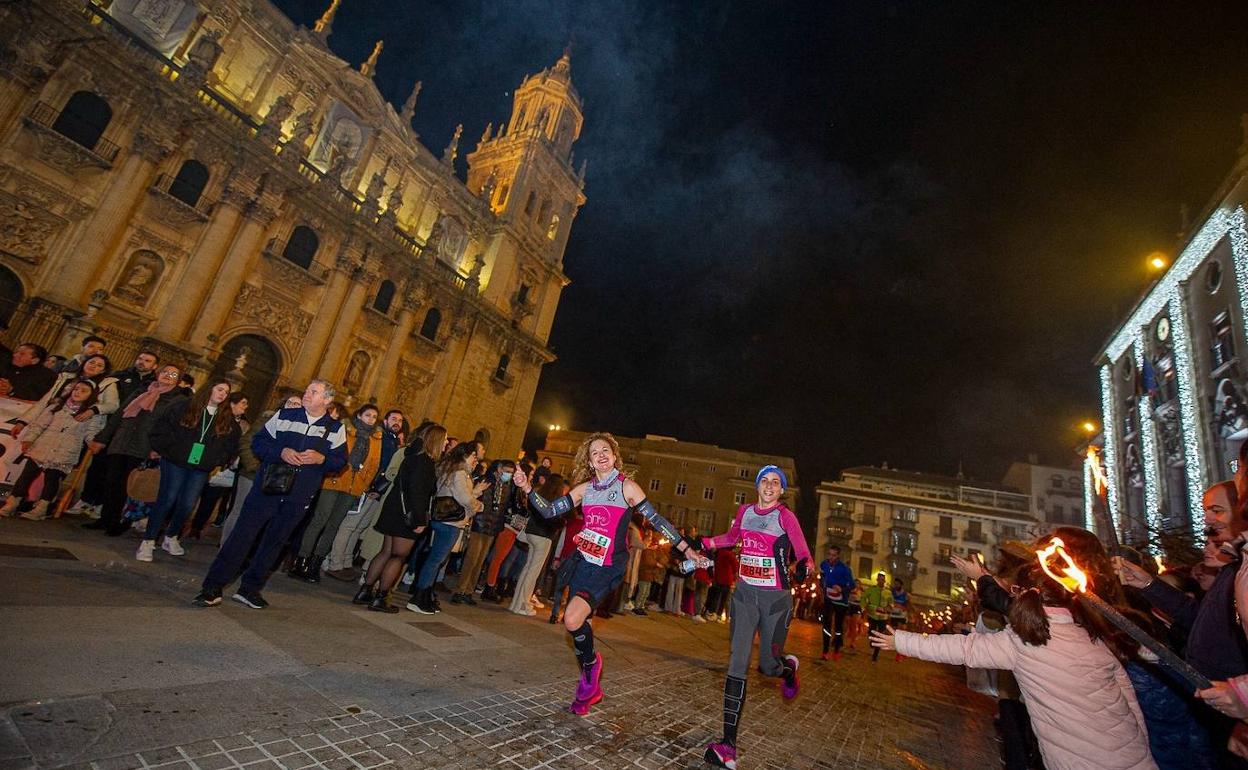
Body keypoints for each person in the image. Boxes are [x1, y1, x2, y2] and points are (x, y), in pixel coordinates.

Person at [871, 561, 1156, 770]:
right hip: (1136, 758)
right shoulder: (1092, 636)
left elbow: (963, 649)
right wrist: (1142, 747)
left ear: (1023, 594)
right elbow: (1128, 699)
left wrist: (901, 642)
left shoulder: (1023, 642)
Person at [512, 432, 703, 716]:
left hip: (608, 565)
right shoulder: (584, 489)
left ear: (614, 456)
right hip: (584, 562)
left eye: (605, 451)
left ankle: (591, 669)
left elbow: (656, 520)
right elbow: (551, 511)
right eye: (594, 453)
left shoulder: (628, 487)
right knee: (580, 624)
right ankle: (589, 687)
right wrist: (527, 488)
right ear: (589, 462)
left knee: (572, 618)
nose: (601, 455)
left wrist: (686, 548)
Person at [192, 380, 346, 609]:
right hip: (267, 488)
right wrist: (280, 452)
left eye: (313, 392)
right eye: (306, 390)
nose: (306, 394)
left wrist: (322, 459)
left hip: (298, 496)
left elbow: (340, 461)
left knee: (275, 542)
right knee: (242, 536)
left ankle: (250, 589)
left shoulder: (335, 428)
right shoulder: (284, 416)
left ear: (327, 399)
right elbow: (258, 444)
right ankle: (212, 587)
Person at [698, 465, 810, 770]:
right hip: (745, 596)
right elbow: (730, 537)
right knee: (737, 662)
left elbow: (803, 553)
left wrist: (804, 567)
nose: (769, 485)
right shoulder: (745, 511)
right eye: (765, 481)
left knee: (767, 666)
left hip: (776, 601)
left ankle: (787, 669)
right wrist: (705, 543)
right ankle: (728, 746)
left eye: (776, 482)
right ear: (758, 486)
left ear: (782, 490)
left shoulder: (785, 517)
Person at [137, 380, 241, 562]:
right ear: (209, 389)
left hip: (201, 466)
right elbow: (163, 427)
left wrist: (217, 460)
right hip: (175, 461)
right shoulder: (183, 407)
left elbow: (231, 443)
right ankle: (148, 540)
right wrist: (169, 449)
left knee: (187, 504)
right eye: (219, 389)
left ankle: (171, 536)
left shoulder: (226, 418)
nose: (223, 394)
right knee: (167, 499)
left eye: (226, 392)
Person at [86, 364, 187, 535]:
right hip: (122, 441)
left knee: (132, 486)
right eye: (165, 372)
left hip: (144, 445)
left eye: (173, 374)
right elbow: (120, 414)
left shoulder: (177, 400)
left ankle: (122, 521)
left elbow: (171, 427)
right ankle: (106, 518)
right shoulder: (142, 390)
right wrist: (102, 438)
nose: (168, 376)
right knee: (112, 482)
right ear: (158, 373)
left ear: (178, 380)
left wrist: (159, 447)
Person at [355, 422, 445, 613]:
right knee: (398, 556)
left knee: (386, 552)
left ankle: (365, 591)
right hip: (407, 514)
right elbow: (417, 493)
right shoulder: (424, 462)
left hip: (394, 509)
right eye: (444, 440)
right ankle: (381, 598)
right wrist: (419, 520)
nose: (445, 444)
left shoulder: (411, 456)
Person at [289, 404, 383, 583]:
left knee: (334, 524)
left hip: (353, 486)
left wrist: (364, 484)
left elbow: (374, 464)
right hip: (335, 479)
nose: (371, 419)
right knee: (320, 519)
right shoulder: (345, 430)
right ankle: (301, 560)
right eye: (368, 415)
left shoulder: (376, 439)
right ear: (359, 415)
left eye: (374, 416)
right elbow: (334, 452)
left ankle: (316, 562)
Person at [0, 380, 105, 520]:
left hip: (65, 450)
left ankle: (42, 508)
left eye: (83, 391)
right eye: (76, 389)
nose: (78, 392)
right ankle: (13, 503)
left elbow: (92, 432)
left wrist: (94, 442)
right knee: (26, 475)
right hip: (43, 445)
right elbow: (40, 424)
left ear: (92, 394)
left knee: (52, 479)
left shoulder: (92, 414)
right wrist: (29, 439)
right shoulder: (57, 406)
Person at [324, 408, 404, 580]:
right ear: (385, 421)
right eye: (393, 419)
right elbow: (375, 463)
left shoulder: (393, 440)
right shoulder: (381, 437)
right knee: (350, 524)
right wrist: (371, 486)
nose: (397, 422)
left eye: (400, 420)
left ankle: (346, 561)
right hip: (369, 487)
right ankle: (334, 562)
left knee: (360, 526)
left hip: (378, 489)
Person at [408, 441, 485, 613]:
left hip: (445, 519)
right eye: (473, 456)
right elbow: (464, 498)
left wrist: (475, 493)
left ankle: (426, 594)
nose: (476, 459)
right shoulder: (460, 473)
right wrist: (479, 505)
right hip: (450, 521)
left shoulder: (452, 470)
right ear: (465, 455)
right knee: (436, 560)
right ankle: (419, 597)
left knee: (436, 559)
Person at [452, 459, 516, 604]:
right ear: (499, 469)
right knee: (472, 558)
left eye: (511, 473)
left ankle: (469, 591)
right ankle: (460, 590)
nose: (509, 475)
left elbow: (504, 507)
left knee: (480, 561)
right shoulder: (486, 481)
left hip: (492, 528)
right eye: (507, 472)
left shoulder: (506, 486)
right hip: (480, 524)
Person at [510, 474, 563, 616]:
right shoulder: (556, 501)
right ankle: (523, 605)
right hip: (544, 536)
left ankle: (516, 603)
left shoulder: (539, 495)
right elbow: (556, 520)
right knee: (533, 572)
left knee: (527, 569)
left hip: (531, 532)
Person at [819, 545, 855, 660]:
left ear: (838, 556)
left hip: (841, 601)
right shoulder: (824, 564)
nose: (831, 557)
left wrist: (842, 589)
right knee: (826, 623)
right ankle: (825, 651)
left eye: (833, 555)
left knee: (838, 626)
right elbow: (822, 577)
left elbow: (852, 585)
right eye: (829, 554)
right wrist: (822, 585)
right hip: (828, 598)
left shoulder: (844, 569)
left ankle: (836, 650)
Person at [861, 572, 892, 662]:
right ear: (877, 580)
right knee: (871, 631)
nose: (881, 581)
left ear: (884, 581)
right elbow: (863, 598)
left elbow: (891, 603)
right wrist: (864, 607)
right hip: (872, 615)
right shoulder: (871, 590)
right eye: (879, 579)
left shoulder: (888, 592)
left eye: (883, 580)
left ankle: (875, 655)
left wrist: (889, 608)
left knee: (880, 635)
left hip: (883, 617)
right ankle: (872, 640)